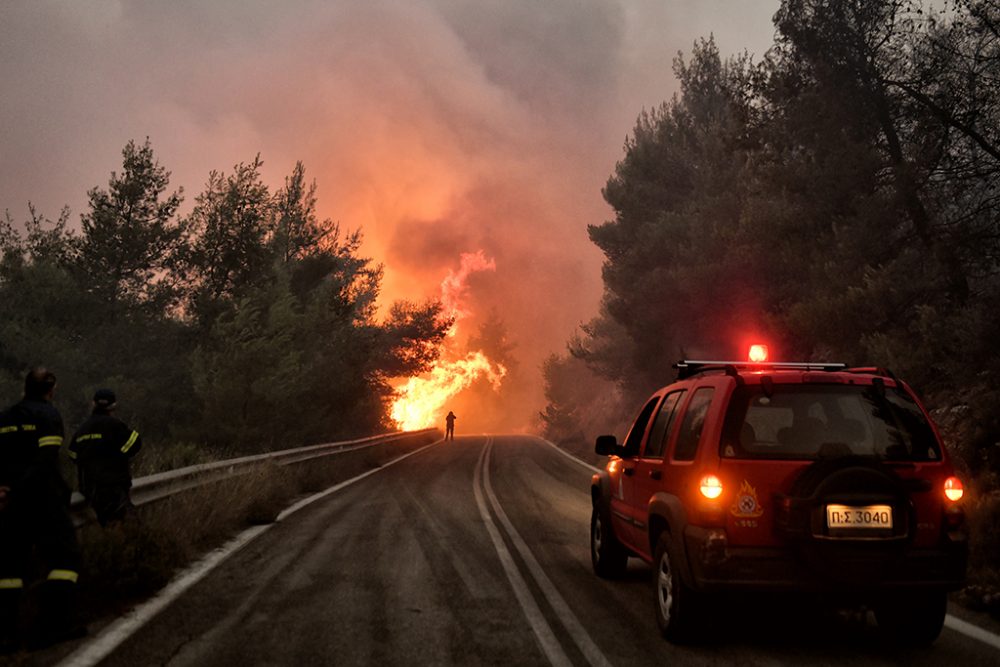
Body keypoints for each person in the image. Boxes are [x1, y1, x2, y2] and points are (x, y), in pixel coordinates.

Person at [0, 368, 83, 652]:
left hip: (11, 504)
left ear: (25, 388)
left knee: (9, 569)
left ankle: (7, 635)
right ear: (51, 390)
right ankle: (54, 627)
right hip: (43, 502)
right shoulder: (49, 416)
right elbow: (45, 461)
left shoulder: (7, 416)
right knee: (65, 560)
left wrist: (5, 488)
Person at [69, 389, 142, 527]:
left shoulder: (82, 429)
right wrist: (120, 455)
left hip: (90, 489)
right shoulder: (115, 425)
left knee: (109, 525)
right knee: (131, 528)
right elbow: (135, 442)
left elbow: (72, 454)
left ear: (93, 404)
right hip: (113, 487)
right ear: (113, 406)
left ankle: (111, 545)